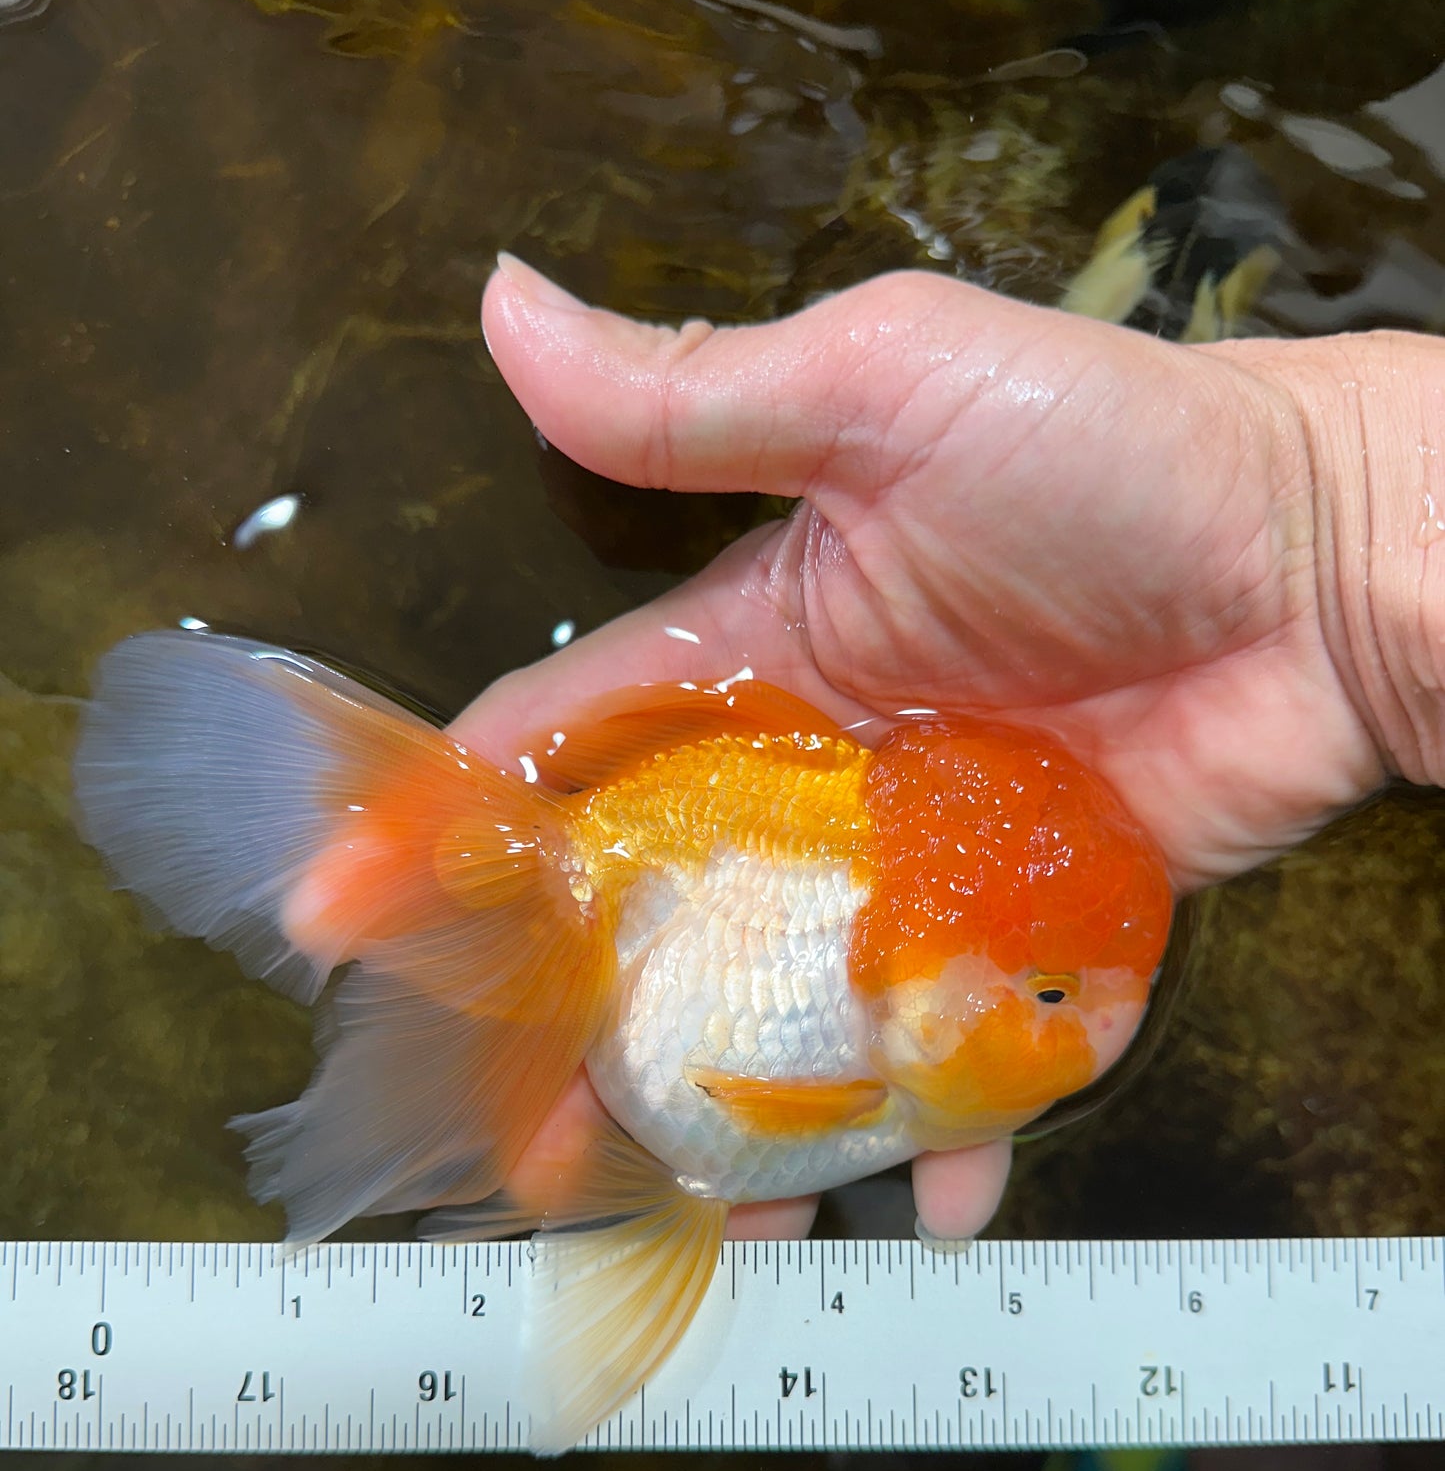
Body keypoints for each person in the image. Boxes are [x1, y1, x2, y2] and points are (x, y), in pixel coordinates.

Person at [455, 253, 1445, 1245]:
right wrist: (1329, 506)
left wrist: (1329, 500)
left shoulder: (927, 921)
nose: (1106, 1011)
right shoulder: (892, 977)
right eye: (1050, 995)